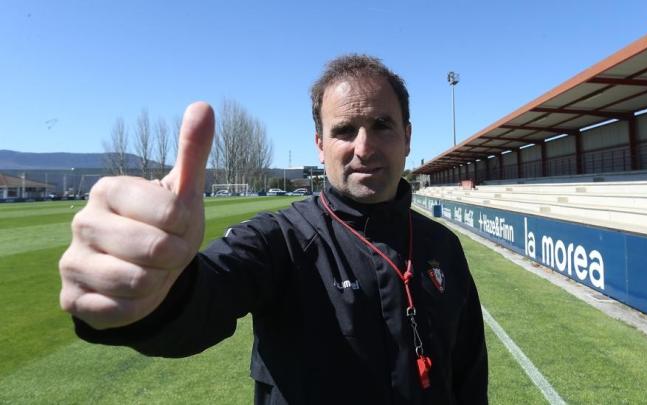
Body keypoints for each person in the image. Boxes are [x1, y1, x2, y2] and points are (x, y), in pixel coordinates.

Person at [59, 54, 488, 404]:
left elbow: (468, 376)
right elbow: (209, 293)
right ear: (319, 145)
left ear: (407, 137)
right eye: (344, 131)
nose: (364, 147)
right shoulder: (281, 239)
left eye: (381, 125)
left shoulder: (443, 246)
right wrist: (157, 294)